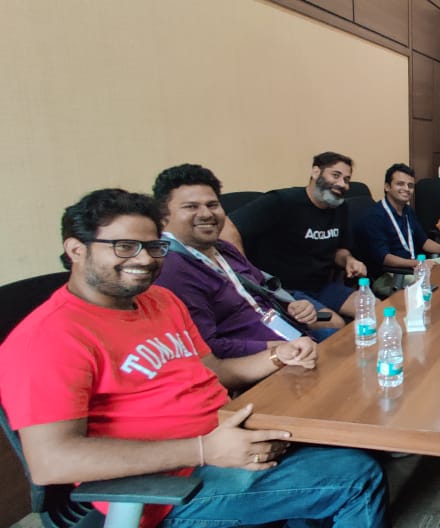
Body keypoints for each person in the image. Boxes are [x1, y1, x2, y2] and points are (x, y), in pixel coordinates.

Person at [0, 189, 390, 527]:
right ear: (76, 250)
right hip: (169, 486)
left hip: (225, 440)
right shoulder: (48, 338)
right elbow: (52, 462)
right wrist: (205, 450)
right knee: (354, 477)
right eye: (124, 246)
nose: (144, 259)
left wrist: (277, 357)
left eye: (154, 246)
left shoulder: (160, 300)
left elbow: (214, 372)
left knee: (351, 431)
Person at [152, 164, 342, 365]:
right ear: (164, 216)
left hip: (293, 335)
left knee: (352, 337)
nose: (206, 214)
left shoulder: (223, 249)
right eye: (191, 207)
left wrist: (294, 305)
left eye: (212, 205)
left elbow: (265, 290)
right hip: (266, 361)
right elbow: (210, 349)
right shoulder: (173, 270)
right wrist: (275, 349)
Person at [224, 152, 367, 318]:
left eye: (347, 179)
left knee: (373, 309)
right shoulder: (281, 201)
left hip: (322, 286)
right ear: (315, 172)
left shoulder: (340, 207)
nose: (342, 184)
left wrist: (349, 260)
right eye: (336, 175)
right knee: (333, 324)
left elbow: (339, 251)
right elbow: (227, 226)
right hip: (286, 291)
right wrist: (246, 274)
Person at [353, 162, 440, 297]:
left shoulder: (407, 211)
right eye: (400, 184)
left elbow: (423, 241)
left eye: (410, 185)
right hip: (390, 276)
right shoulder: (374, 216)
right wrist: (419, 263)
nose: (406, 189)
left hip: (413, 269)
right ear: (387, 187)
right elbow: (385, 258)